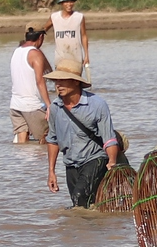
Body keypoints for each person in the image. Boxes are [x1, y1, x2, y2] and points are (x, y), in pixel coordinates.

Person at [45, 62, 120, 207]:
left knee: (79, 197)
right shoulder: (55, 108)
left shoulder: (97, 105)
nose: (58, 85)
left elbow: (109, 139)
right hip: (71, 164)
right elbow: (52, 140)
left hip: (95, 159)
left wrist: (112, 161)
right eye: (56, 81)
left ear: (75, 81)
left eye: (62, 80)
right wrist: (51, 172)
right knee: (80, 203)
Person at [8, 27, 52, 143]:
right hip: (32, 106)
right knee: (45, 141)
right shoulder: (35, 54)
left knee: (22, 145)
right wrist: (49, 105)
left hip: (15, 106)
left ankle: (24, 162)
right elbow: (40, 81)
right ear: (41, 37)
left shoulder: (16, 51)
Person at [50, 0, 90, 71]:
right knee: (61, 82)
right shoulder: (54, 17)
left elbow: (84, 36)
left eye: (71, 2)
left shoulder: (79, 17)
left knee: (75, 82)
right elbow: (43, 29)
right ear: (61, 3)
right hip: (60, 60)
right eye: (66, 2)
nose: (69, 4)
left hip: (76, 58)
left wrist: (86, 55)